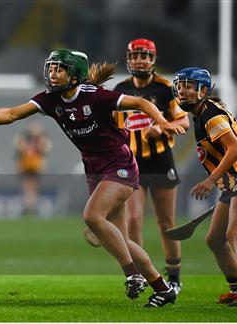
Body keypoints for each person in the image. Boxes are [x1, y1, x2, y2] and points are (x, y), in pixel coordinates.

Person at [0, 49, 186, 307]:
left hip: (120, 163)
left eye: (59, 70)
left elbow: (144, 104)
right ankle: (162, 288)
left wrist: (163, 123)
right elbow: (11, 114)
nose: (53, 75)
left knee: (92, 216)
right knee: (123, 240)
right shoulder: (50, 99)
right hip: (94, 168)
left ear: (75, 74)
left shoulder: (96, 96)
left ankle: (133, 276)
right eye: (51, 69)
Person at [84, 39, 189, 294]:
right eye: (136, 55)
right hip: (130, 163)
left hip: (161, 161)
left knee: (167, 222)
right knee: (133, 220)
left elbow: (183, 122)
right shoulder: (120, 89)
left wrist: (160, 128)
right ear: (129, 59)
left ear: (153, 59)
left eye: (146, 55)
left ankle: (174, 277)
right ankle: (144, 275)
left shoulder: (165, 89)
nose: (141, 59)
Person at [173, 67, 237, 307]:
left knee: (235, 232)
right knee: (215, 239)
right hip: (235, 182)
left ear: (204, 91)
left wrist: (209, 181)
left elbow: (235, 148)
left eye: (189, 86)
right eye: (180, 86)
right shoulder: (201, 115)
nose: (183, 91)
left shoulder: (211, 115)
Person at [14, 122, 52, 215]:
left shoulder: (41, 141)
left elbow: (45, 151)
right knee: (26, 186)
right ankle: (27, 206)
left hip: (35, 166)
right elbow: (19, 151)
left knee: (34, 187)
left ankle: (32, 206)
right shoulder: (24, 139)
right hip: (26, 165)